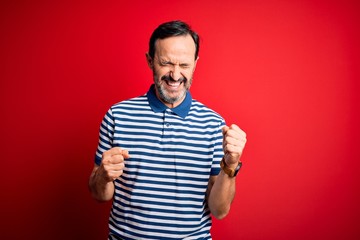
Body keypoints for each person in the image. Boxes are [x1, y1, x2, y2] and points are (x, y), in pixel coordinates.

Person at [89, 20, 247, 240]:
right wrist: (103, 177)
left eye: (184, 65)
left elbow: (220, 210)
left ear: (195, 63)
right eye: (166, 63)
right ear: (150, 60)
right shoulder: (117, 115)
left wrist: (230, 166)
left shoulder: (214, 124)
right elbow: (100, 195)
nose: (175, 75)